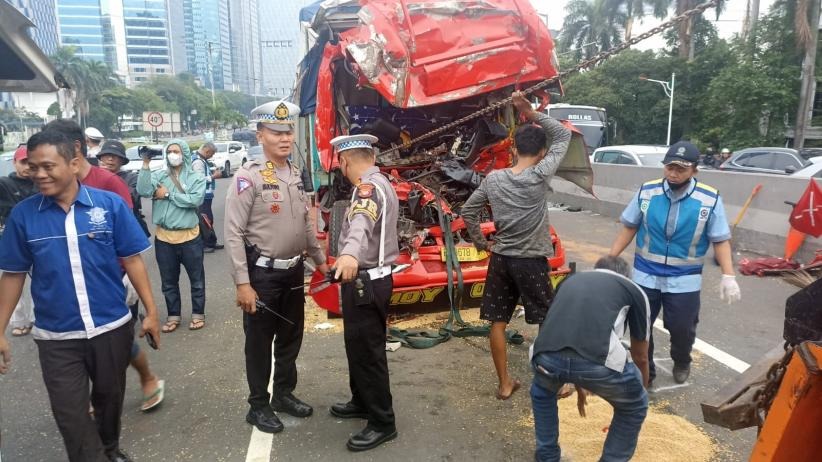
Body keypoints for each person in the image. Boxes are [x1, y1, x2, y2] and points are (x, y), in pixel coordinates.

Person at [0, 129, 162, 462]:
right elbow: (13, 274)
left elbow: (132, 259)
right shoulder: (24, 216)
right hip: (57, 337)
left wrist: (152, 311)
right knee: (71, 416)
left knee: (109, 401)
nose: (39, 175)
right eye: (33, 167)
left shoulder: (109, 206)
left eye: (48, 166)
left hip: (110, 327)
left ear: (74, 164)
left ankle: (110, 449)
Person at [225, 101, 330, 434]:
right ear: (261, 135)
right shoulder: (247, 178)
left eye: (288, 132)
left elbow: (304, 226)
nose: (285, 139)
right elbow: (233, 233)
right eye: (276, 132)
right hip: (263, 276)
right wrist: (243, 283)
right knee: (258, 343)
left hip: (293, 272)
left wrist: (319, 261)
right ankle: (258, 405)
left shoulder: (295, 174)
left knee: (290, 338)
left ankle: (283, 394)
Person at [461, 91, 571, 400]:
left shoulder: (494, 179)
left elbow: (468, 211)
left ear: (514, 147)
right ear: (541, 152)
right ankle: (558, 382)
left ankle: (505, 383)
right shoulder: (539, 174)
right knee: (548, 320)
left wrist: (482, 243)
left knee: (497, 320)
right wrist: (529, 111)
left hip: (501, 259)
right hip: (531, 259)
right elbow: (562, 135)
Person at [609, 141, 741, 385]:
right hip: (645, 275)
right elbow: (630, 226)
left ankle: (682, 360)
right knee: (641, 327)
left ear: (694, 171)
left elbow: (720, 239)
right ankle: (645, 372)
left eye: (681, 169)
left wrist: (728, 275)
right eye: (670, 167)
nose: (674, 173)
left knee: (682, 328)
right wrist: (610, 260)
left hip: (684, 279)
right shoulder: (647, 192)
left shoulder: (709, 199)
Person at [531, 256, 650, 462]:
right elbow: (641, 356)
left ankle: (547, 457)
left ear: (597, 269)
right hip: (597, 360)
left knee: (542, 393)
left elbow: (570, 331)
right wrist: (640, 392)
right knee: (634, 406)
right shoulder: (633, 289)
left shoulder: (570, 281)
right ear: (626, 275)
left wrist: (578, 379)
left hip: (545, 355)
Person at [329, 132, 400, 452]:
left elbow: (360, 222)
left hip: (367, 281)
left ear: (344, 161)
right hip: (367, 280)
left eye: (340, 164)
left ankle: (383, 422)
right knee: (356, 346)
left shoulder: (367, 189)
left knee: (368, 353)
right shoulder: (381, 182)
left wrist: (348, 255)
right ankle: (361, 400)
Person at [96, 139, 164, 411]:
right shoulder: (68, 185)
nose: (109, 160)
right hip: (88, 272)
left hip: (121, 264)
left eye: (114, 157)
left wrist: (151, 310)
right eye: (105, 156)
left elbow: (139, 195)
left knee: (121, 334)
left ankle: (147, 376)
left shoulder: (123, 181)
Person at [137, 139, 206, 332]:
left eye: (176, 151)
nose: (172, 155)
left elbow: (195, 200)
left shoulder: (196, 177)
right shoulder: (159, 175)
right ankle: (173, 315)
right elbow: (143, 190)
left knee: (197, 280)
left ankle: (198, 314)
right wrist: (145, 164)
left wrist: (168, 195)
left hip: (189, 237)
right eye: (170, 151)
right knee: (168, 281)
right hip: (164, 238)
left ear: (184, 153)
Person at [44, 119, 133, 209]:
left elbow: (127, 220)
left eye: (53, 148)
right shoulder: (49, 185)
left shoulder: (110, 182)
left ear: (76, 147)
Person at [0, 145, 38, 336]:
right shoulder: (4, 184)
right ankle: (19, 321)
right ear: (14, 162)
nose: (27, 167)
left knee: (36, 281)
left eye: (31, 163)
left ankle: (34, 318)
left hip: (36, 238)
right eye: (23, 162)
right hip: (12, 240)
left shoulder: (40, 184)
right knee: (13, 278)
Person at [97, 140, 151, 236]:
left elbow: (131, 198)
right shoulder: (94, 177)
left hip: (126, 227)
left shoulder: (132, 178)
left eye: (115, 156)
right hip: (100, 226)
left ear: (122, 160)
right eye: (107, 155)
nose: (110, 159)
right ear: (101, 158)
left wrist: (110, 178)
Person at [192, 141, 223, 252]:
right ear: (207, 151)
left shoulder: (201, 160)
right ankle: (205, 244)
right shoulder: (198, 162)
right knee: (204, 220)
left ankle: (211, 241)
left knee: (208, 219)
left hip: (206, 195)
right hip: (202, 196)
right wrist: (214, 176)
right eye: (212, 153)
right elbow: (198, 180)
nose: (212, 156)